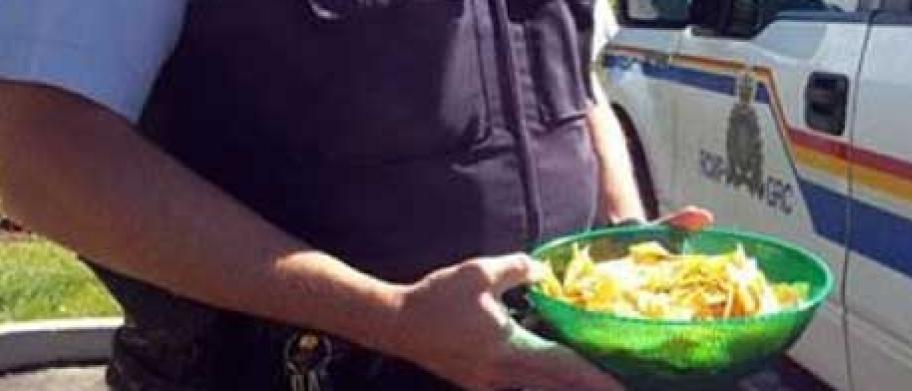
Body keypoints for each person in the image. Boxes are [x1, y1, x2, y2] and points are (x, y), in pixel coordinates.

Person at [0, 1, 712, 390]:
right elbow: (33, 143)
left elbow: (577, 85)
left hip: (534, 361)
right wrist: (389, 317)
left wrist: (624, 237)